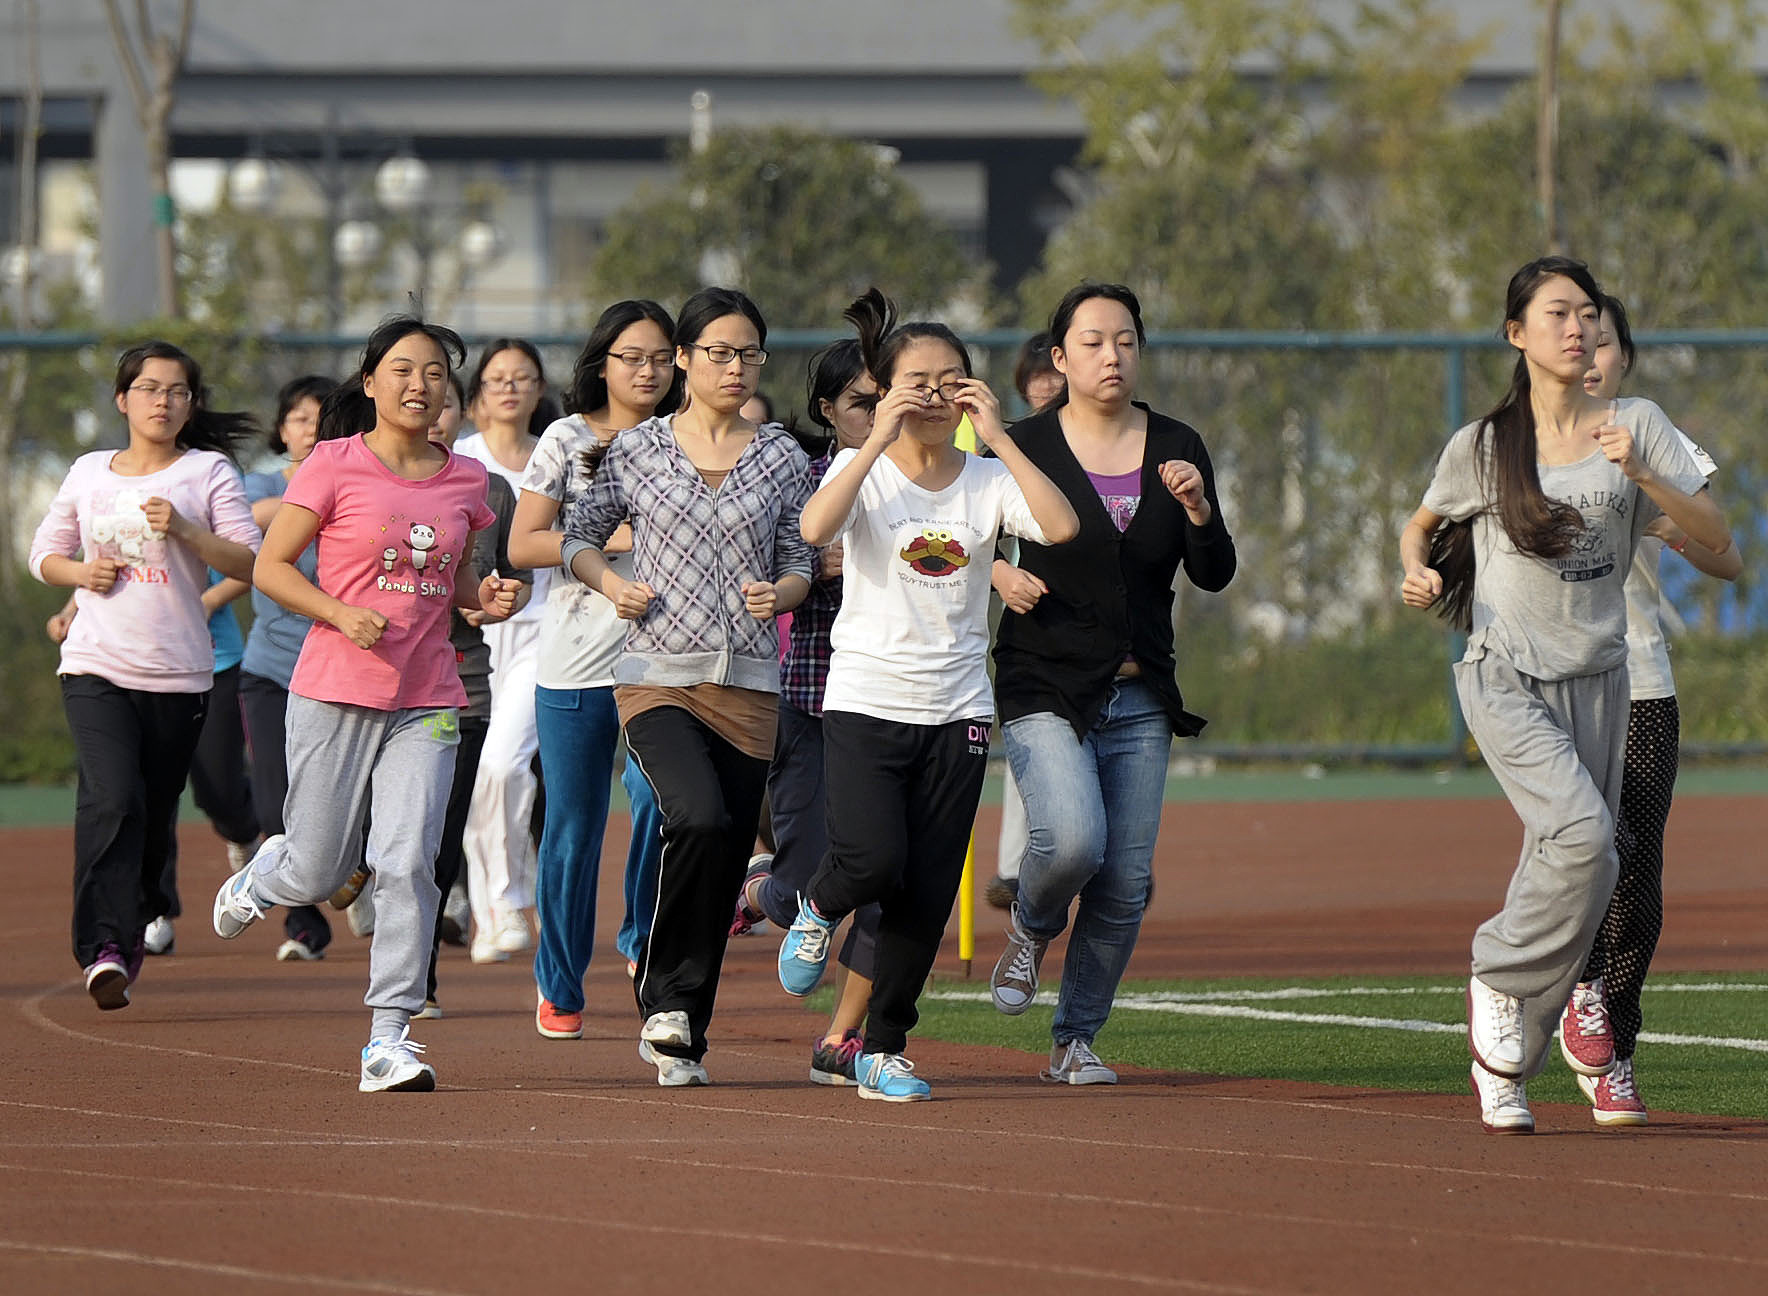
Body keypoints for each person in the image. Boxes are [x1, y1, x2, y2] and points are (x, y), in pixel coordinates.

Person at [1398, 257, 1730, 1133]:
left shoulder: (1638, 425)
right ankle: (1497, 972)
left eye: (1588, 312)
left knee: (1592, 862)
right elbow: (1421, 525)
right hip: (1505, 673)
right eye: (1558, 313)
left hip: (1606, 678)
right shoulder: (1483, 445)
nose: (1577, 327)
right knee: (1584, 836)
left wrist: (1646, 474)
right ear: (1516, 334)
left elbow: (1720, 540)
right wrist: (1415, 573)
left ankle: (1506, 1064)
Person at [776, 288, 1078, 1102]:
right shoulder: (862, 470)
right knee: (872, 859)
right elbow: (814, 530)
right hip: (866, 701)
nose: (936, 395)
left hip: (959, 713)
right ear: (886, 390)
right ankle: (818, 906)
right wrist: (876, 436)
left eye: (952, 380)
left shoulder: (987, 479)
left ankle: (881, 1050)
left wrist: (1002, 438)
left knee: (925, 894)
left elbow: (1060, 527)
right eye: (918, 381)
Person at [211, 315, 520, 1093]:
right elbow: (272, 567)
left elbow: (453, 581)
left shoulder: (466, 481)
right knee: (320, 868)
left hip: (429, 697)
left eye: (435, 373)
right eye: (404, 371)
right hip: (334, 691)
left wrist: (484, 599)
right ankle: (267, 877)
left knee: (408, 861)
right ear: (372, 382)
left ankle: (389, 1037)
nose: (421, 385)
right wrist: (338, 614)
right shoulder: (332, 463)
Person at [985, 282, 1238, 1085]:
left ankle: (1074, 1040)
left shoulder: (1177, 444)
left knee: (1124, 884)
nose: (1111, 356)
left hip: (1141, 693)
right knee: (1074, 842)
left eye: (1125, 340)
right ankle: (1032, 925)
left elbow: (1214, 572)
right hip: (1043, 681)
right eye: (1092, 342)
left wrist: (1198, 511)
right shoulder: (1023, 443)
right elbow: (954, 532)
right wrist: (996, 572)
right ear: (1060, 358)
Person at [561, 286, 814, 1086]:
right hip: (656, 679)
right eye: (719, 353)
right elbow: (576, 538)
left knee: (726, 850)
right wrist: (611, 582)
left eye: (749, 354)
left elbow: (799, 558)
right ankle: (663, 993)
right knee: (696, 817)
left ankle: (680, 1035)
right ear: (684, 359)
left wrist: (784, 593)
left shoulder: (780, 455)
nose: (736, 367)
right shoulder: (637, 450)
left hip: (751, 685)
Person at [30, 340, 260, 1009]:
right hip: (95, 665)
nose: (163, 401)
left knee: (155, 814)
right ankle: (102, 947)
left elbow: (249, 563)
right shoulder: (89, 472)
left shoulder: (207, 472)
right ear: (122, 399)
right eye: (149, 389)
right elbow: (44, 554)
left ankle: (140, 916)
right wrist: (82, 573)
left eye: (177, 391)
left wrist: (186, 530)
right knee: (111, 798)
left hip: (179, 674)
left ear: (192, 404)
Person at [1563, 294, 1742, 1125]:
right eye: (1573, 337)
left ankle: (1615, 1046)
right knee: (1579, 850)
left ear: (1624, 357)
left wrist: (1656, 504)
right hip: (1555, 683)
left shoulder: (1643, 427)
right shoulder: (1521, 437)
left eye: (1603, 341)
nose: (1586, 353)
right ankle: (1552, 995)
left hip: (1639, 680)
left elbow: (1727, 557)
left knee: (1636, 866)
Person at [508, 300, 677, 1038]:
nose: (647, 371)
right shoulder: (566, 438)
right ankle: (560, 985)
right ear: (601, 364)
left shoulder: (688, 438)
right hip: (576, 665)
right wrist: (614, 538)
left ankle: (642, 939)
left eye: (661, 358)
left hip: (667, 662)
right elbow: (523, 543)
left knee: (660, 804)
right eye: (631, 357)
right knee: (573, 831)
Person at [731, 338, 885, 1083]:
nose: (880, 415)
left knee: (892, 877)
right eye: (862, 403)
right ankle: (761, 891)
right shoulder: (804, 480)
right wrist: (811, 564)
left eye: (890, 399)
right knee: (801, 892)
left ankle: (846, 1036)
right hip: (815, 702)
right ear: (827, 410)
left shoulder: (942, 481)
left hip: (906, 712)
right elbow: (755, 568)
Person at [423, 373, 532, 1017]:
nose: (431, 413)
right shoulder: (355, 477)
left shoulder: (487, 489)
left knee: (438, 833)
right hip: (375, 685)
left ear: (461, 413)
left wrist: (493, 601)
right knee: (384, 835)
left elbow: (512, 578)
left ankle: (419, 977)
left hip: (461, 683)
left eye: (444, 404)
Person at [456, 339, 554, 963]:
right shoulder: (461, 461)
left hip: (543, 631)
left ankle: (508, 899)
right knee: (473, 773)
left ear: (540, 389)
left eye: (523, 377)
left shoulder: (556, 454)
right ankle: (491, 911)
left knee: (501, 766)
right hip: (470, 635)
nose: (510, 388)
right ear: (476, 398)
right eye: (497, 379)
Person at [239, 375, 339, 962]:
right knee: (273, 803)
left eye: (323, 419)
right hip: (271, 668)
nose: (311, 430)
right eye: (300, 419)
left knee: (335, 799)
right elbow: (250, 517)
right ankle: (303, 920)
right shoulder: (262, 483)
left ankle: (353, 875)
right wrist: (321, 485)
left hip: (340, 669)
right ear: (282, 429)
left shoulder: (361, 483)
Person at [985, 329, 1068, 912]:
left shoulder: (1121, 439)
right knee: (1029, 744)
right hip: (1034, 620)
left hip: (1107, 632)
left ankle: (1113, 866)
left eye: (1051, 378)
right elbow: (967, 528)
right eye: (1034, 379)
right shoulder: (1006, 448)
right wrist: (999, 573)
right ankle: (1015, 871)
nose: (1043, 388)